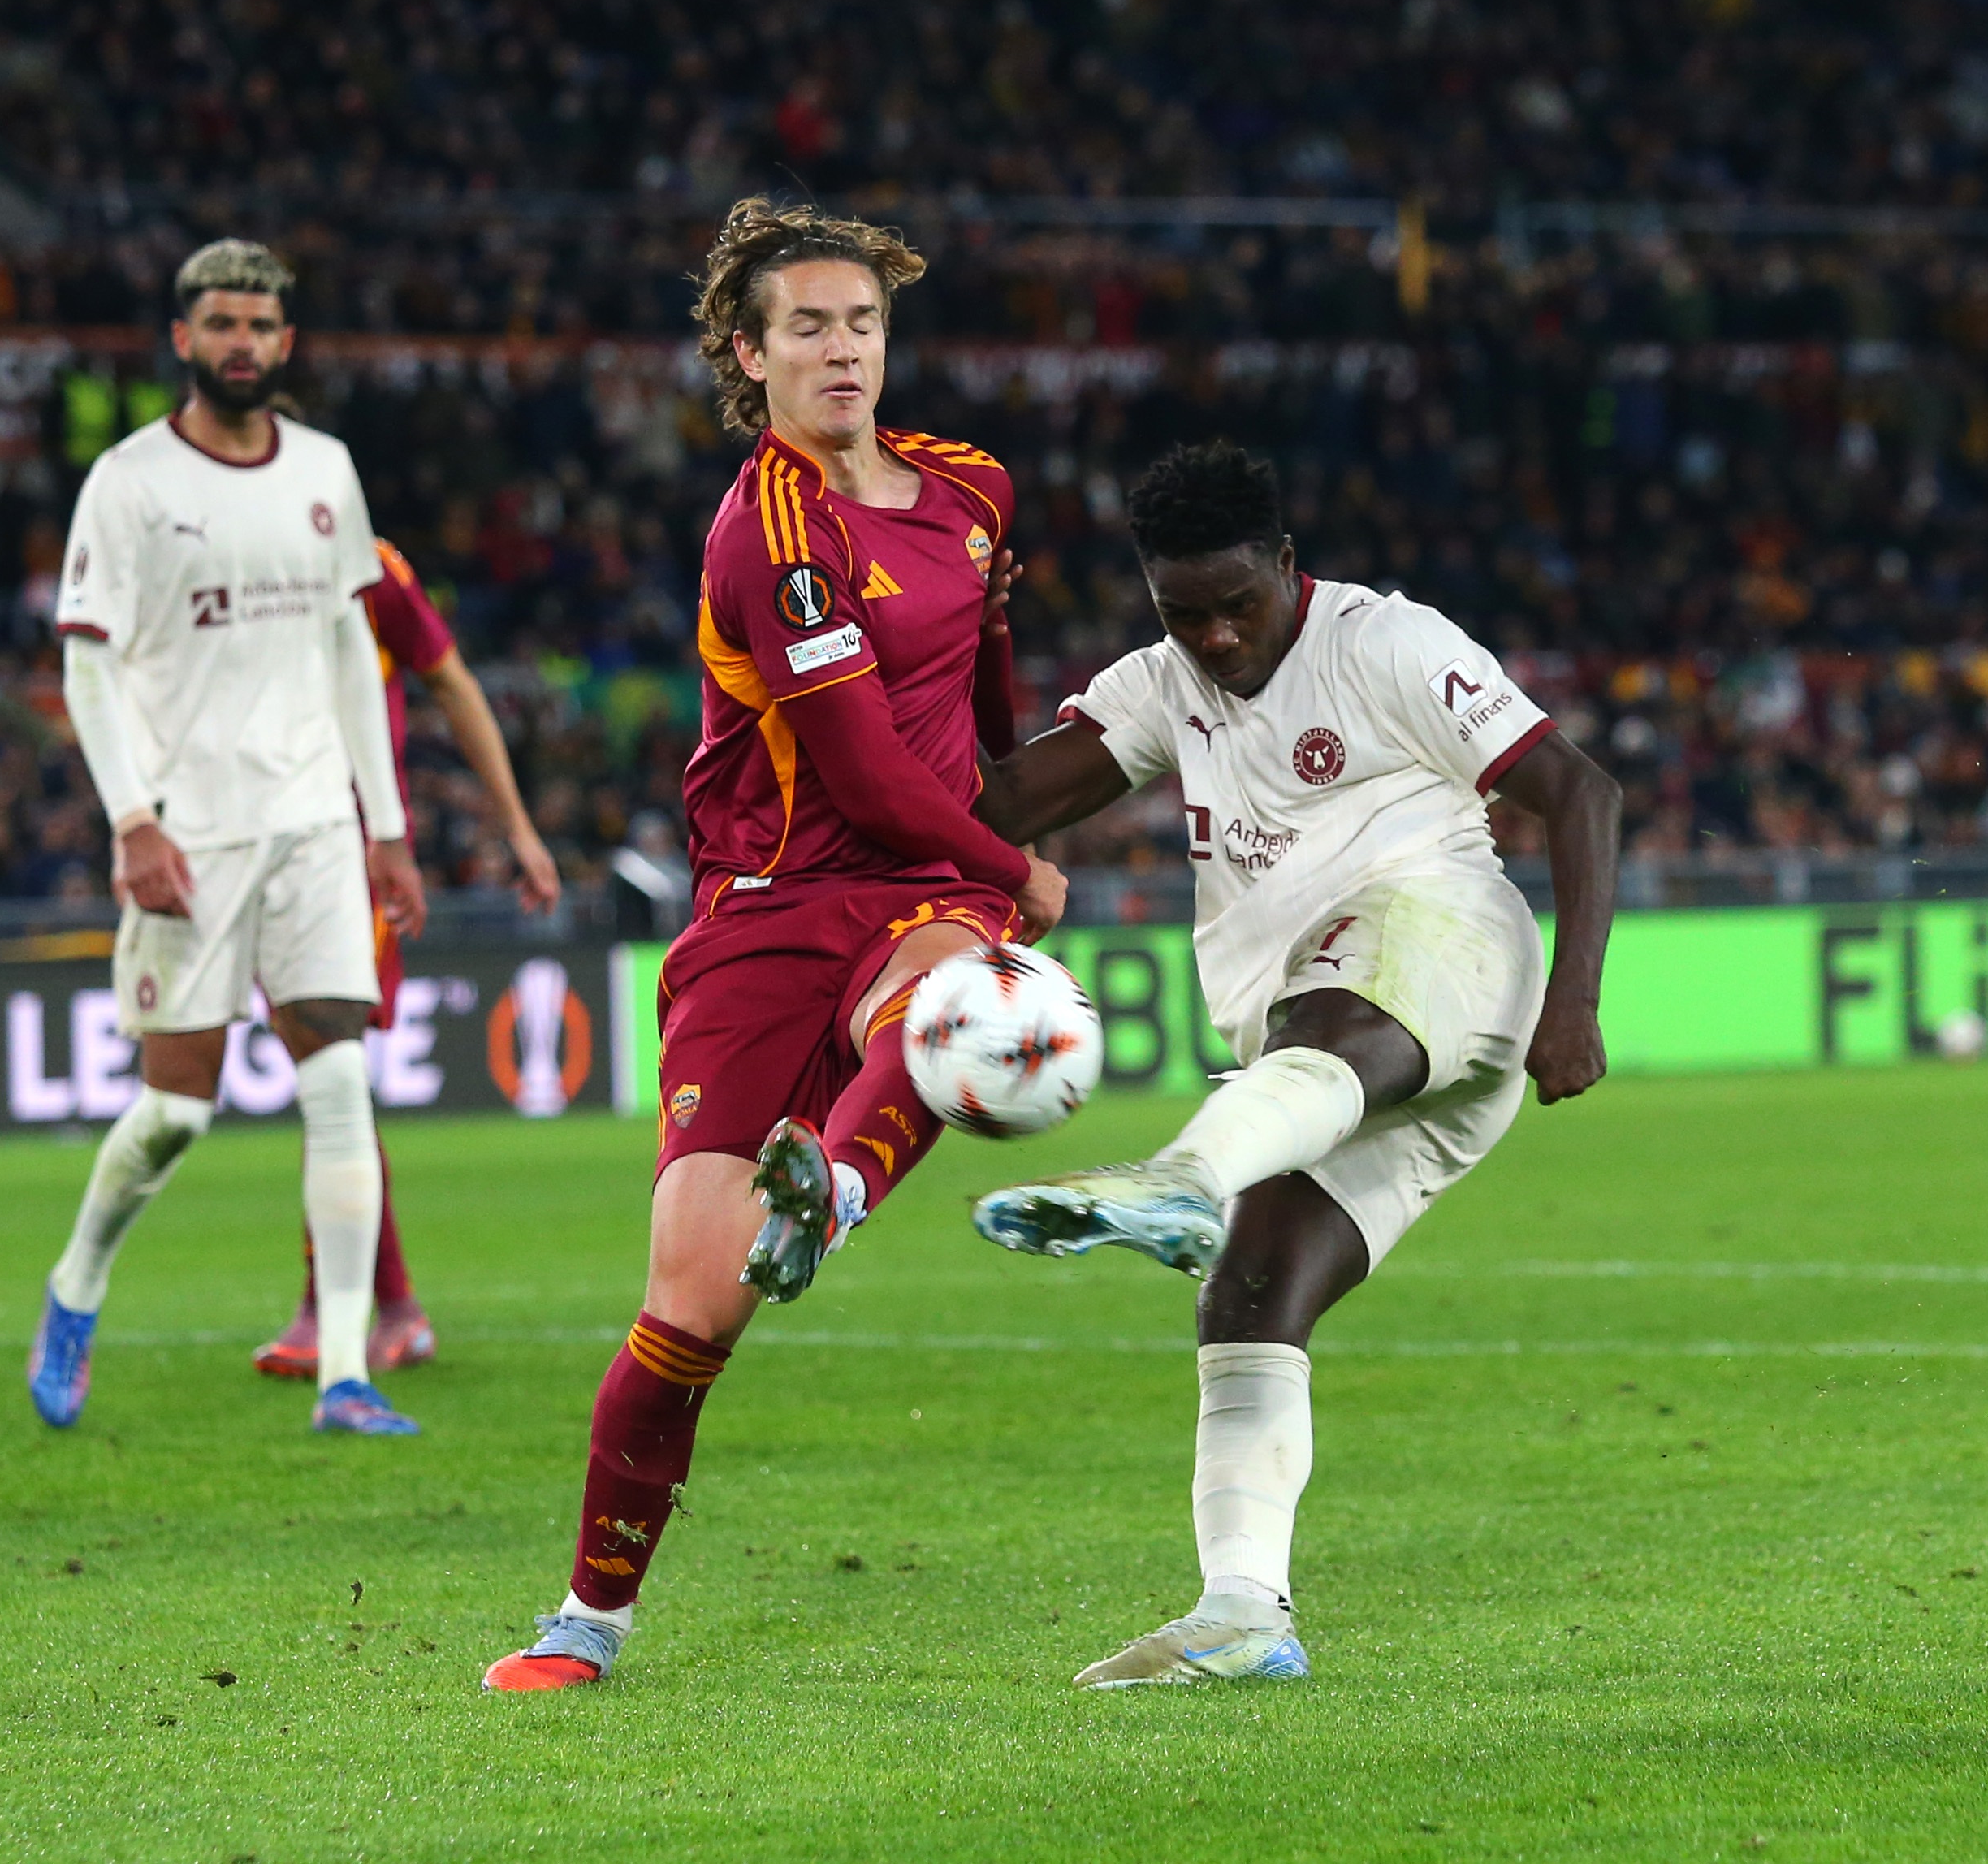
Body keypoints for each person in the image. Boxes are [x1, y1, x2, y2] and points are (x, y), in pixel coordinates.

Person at [482, 199, 1066, 1690]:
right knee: (687, 1304)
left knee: (960, 1002)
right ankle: (586, 1620)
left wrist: (999, 850)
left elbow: (986, 692)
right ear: (748, 353)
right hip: (770, 904)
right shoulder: (770, 528)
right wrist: (1026, 866)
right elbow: (862, 771)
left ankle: (841, 1192)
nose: (842, 349)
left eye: (861, 321)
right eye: (807, 326)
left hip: (927, 884)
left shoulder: (974, 488)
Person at [967, 439, 1622, 1686]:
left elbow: (1578, 790)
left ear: (1283, 564)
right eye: (1182, 613)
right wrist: (968, 644)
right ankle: (1242, 1614)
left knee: (1330, 1015)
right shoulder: (1159, 686)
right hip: (1335, 1060)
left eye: (1235, 604)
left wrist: (1576, 1003)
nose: (1214, 638)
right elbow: (998, 804)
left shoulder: (1385, 643)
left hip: (1443, 949)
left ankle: (1175, 1179)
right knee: (1250, 1294)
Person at [26, 239, 431, 1438]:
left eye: (259, 324)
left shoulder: (326, 471)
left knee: (342, 1084)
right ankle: (77, 1286)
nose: (241, 343)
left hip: (314, 819)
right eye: (220, 324)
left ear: (286, 344)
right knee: (175, 1116)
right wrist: (133, 818)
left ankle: (344, 1374)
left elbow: (352, 651)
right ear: (184, 340)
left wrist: (386, 826)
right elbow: (86, 668)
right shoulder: (130, 482)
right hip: (188, 834)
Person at [249, 534, 562, 1381]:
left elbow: (453, 683)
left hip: (355, 854)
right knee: (325, 1077)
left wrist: (518, 828)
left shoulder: (371, 564)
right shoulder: (232, 558)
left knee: (331, 1071)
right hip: (256, 845)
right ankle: (372, 1305)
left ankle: (356, 1306)